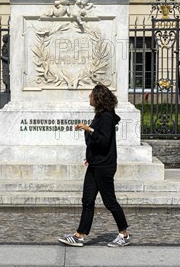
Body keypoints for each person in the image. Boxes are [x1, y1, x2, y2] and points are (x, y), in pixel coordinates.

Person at [58, 84, 130, 248]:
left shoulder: (106, 118)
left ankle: (124, 234)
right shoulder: (100, 116)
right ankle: (80, 235)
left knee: (110, 202)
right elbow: (96, 143)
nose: (89, 98)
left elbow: (103, 140)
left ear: (98, 99)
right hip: (95, 165)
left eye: (91, 96)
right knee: (87, 200)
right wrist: (90, 156)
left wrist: (87, 128)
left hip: (104, 167)